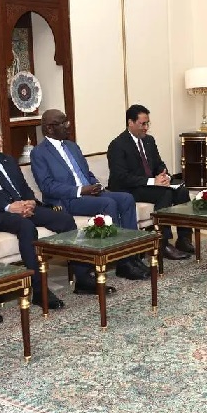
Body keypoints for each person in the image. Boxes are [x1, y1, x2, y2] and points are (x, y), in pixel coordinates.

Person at [0, 121, 96, 304]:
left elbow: (23, 187)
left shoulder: (7, 160)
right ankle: (39, 290)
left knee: (65, 220)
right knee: (26, 227)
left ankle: (83, 278)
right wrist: (9, 207)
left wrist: (30, 201)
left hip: (24, 207)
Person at [30, 109, 149, 283]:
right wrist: (80, 190)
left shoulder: (72, 146)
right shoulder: (39, 153)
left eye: (67, 122)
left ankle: (131, 255)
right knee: (108, 203)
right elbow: (47, 186)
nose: (68, 126)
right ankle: (122, 262)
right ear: (49, 128)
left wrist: (96, 185)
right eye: (63, 123)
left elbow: (86, 173)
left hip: (89, 192)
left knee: (126, 198)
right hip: (68, 199)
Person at [107, 104, 194, 260]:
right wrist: (153, 181)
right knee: (164, 194)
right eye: (142, 124)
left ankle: (184, 238)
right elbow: (121, 177)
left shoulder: (149, 141)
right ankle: (163, 243)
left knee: (181, 190)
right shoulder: (117, 145)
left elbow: (158, 164)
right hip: (128, 188)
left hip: (149, 184)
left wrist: (164, 175)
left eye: (147, 123)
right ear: (130, 123)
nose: (146, 128)